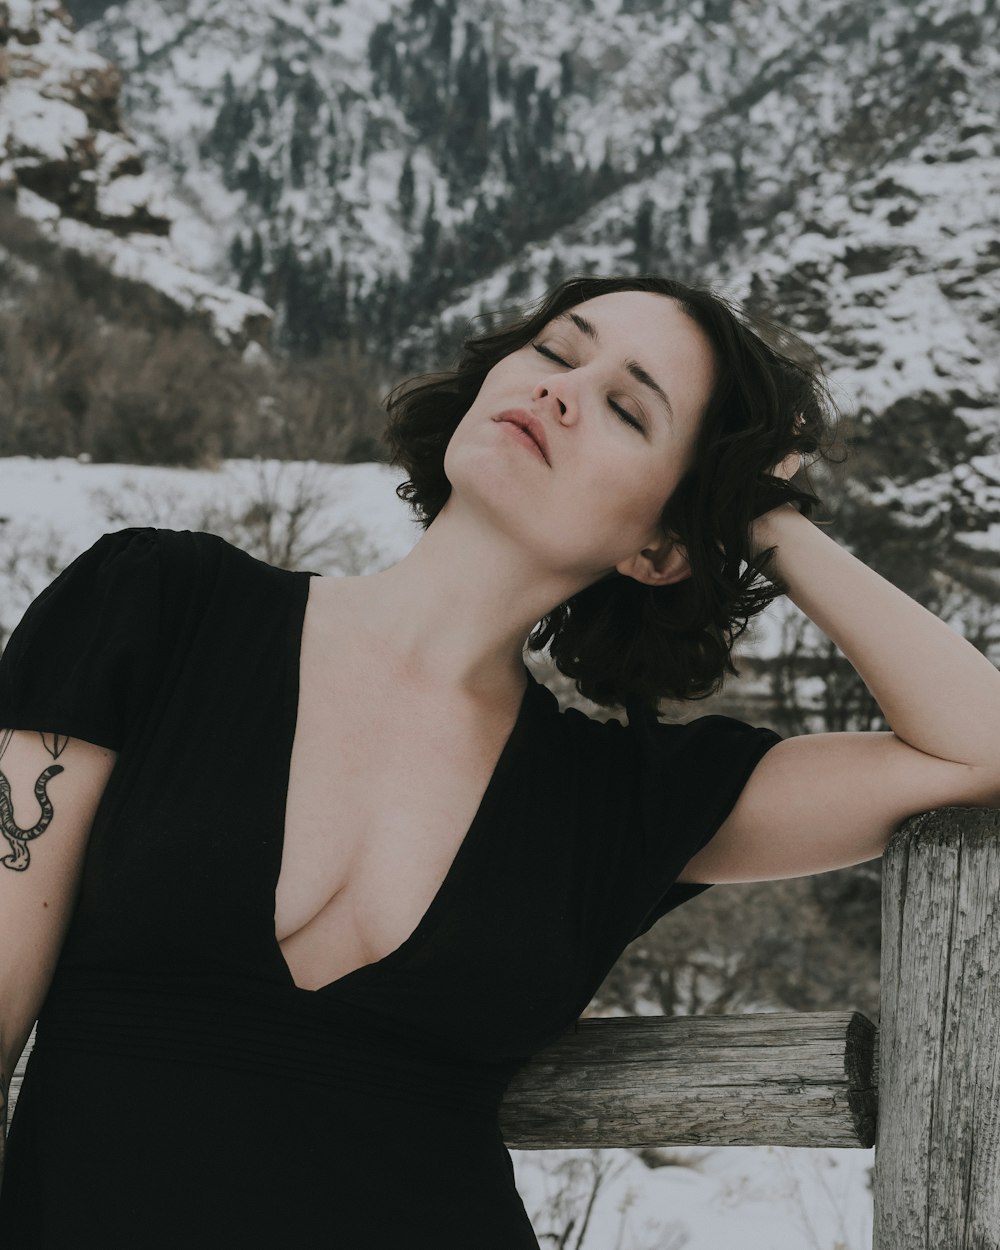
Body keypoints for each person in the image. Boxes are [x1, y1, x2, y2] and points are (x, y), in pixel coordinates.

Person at [1, 273, 999, 1247]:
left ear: (657, 546)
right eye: (554, 349)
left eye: (626, 409)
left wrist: (762, 520)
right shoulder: (158, 608)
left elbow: (977, 747)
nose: (559, 386)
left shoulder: (615, 803)